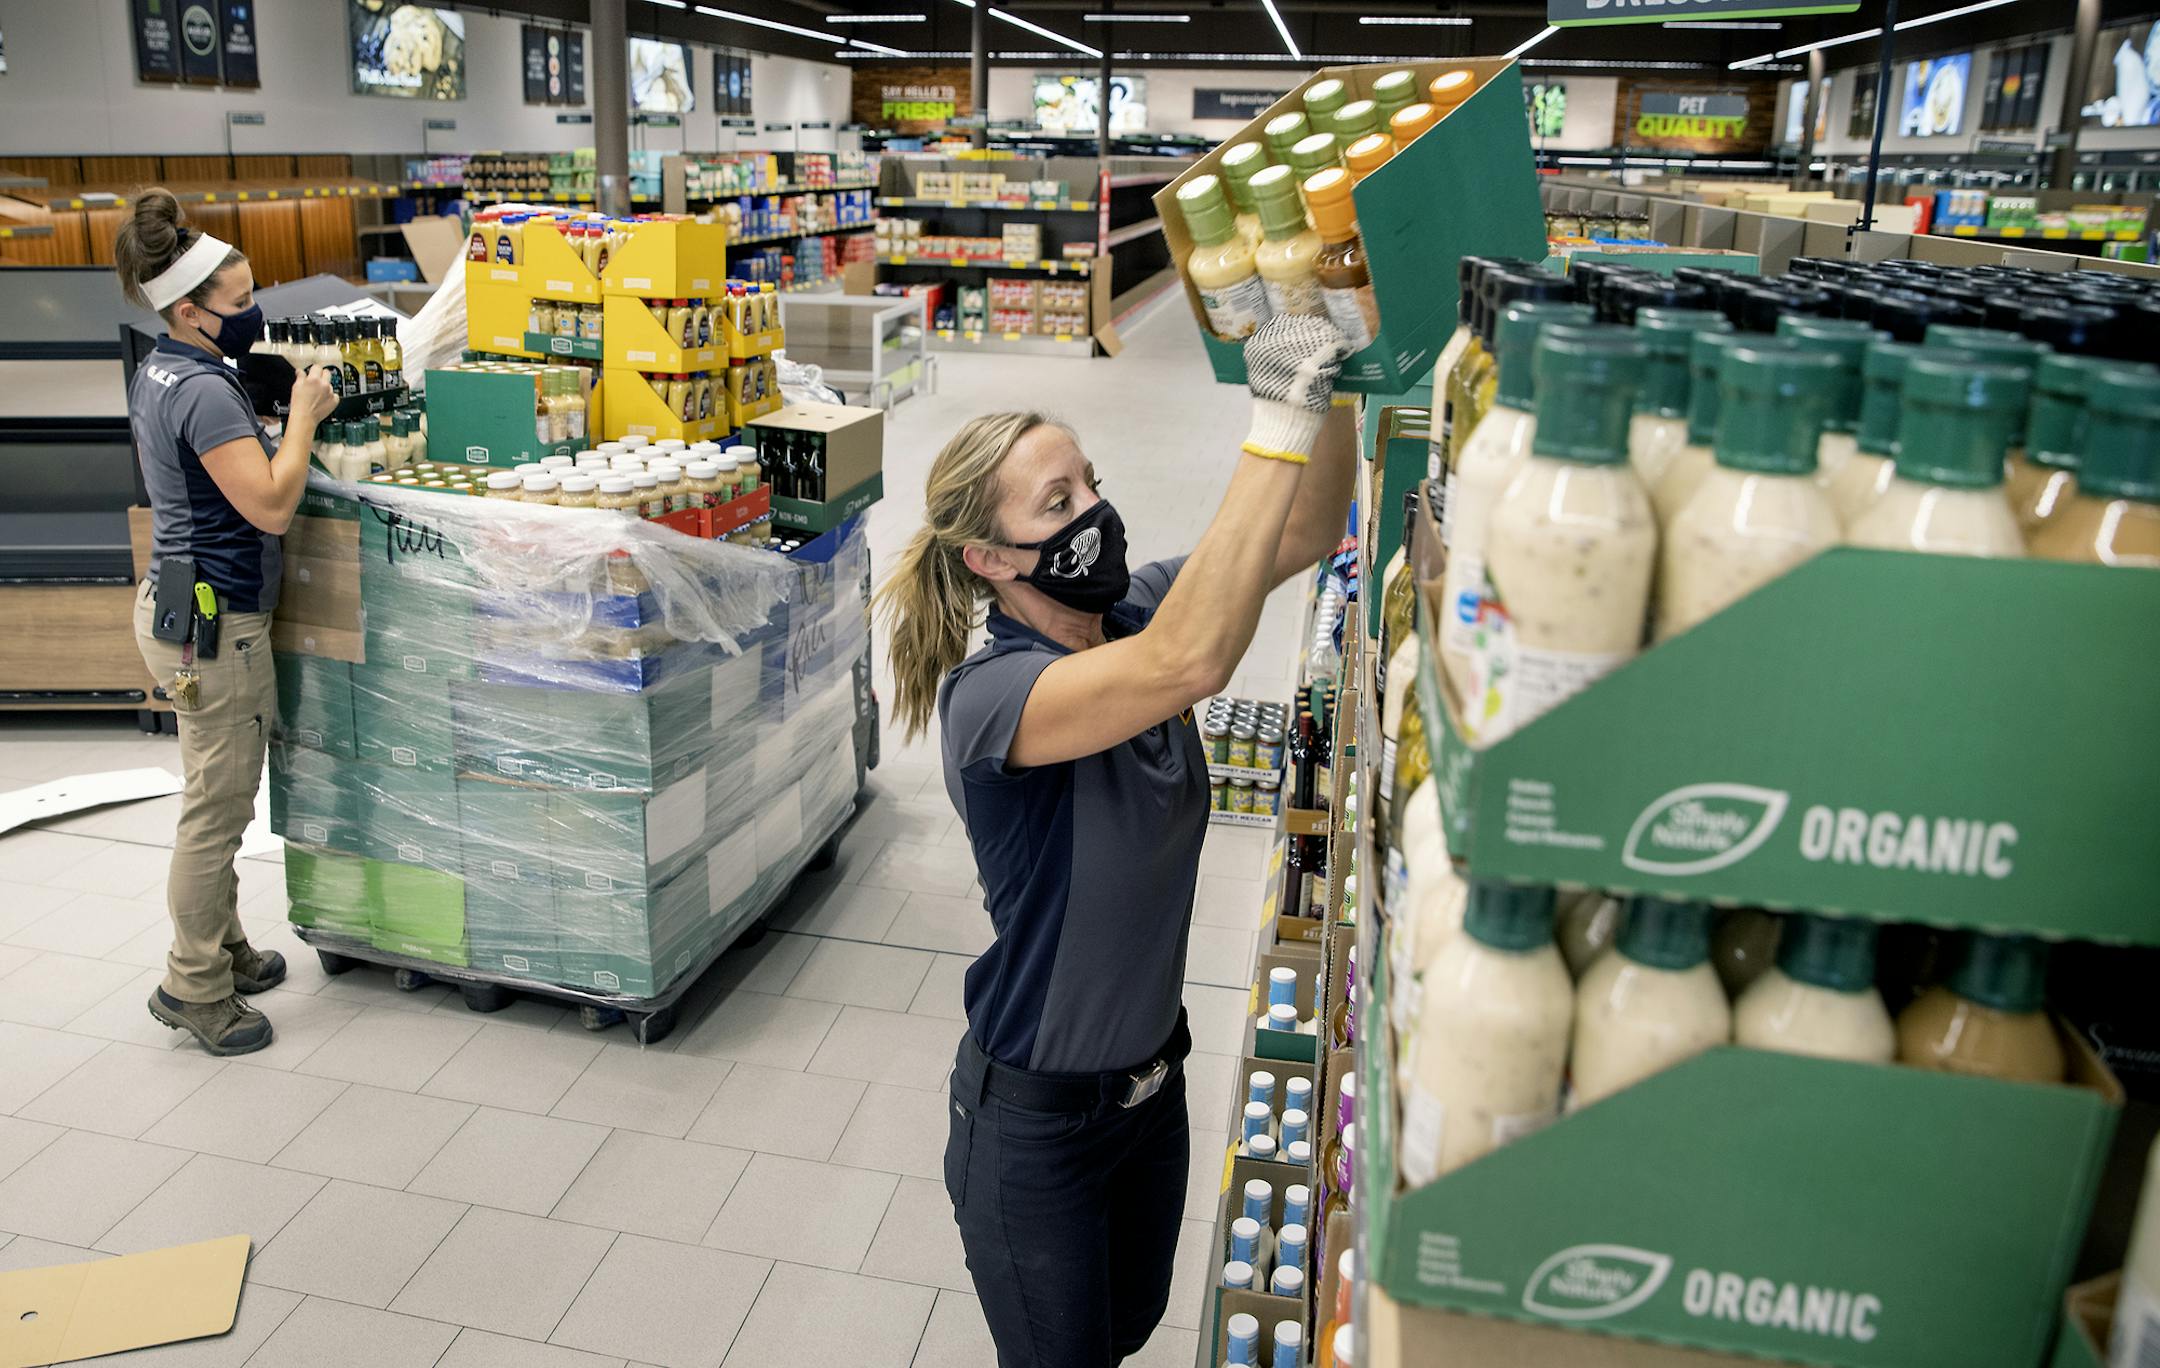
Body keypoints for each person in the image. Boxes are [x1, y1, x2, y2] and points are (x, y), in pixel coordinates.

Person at [874, 315, 1355, 1366]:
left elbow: (1310, 531)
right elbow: (1192, 666)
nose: (1095, 510)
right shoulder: (995, 699)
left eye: (1090, 482)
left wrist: (1344, 374)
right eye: (1058, 504)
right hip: (1037, 1122)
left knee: (1126, 1333)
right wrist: (1273, 418)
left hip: (1152, 1093)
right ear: (991, 558)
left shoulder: (1133, 612)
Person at [115, 189, 337, 1056]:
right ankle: (193, 986)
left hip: (175, 605)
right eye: (239, 306)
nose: (253, 317)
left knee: (216, 790)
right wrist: (307, 420)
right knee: (216, 812)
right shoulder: (205, 394)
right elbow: (273, 507)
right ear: (187, 310)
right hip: (220, 622)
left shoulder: (164, 368)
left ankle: (227, 949)